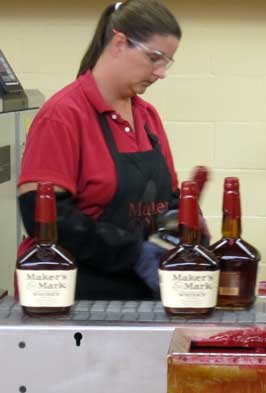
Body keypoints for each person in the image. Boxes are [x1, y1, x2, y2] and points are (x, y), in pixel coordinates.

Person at [16, 0, 183, 300]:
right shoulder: (63, 115)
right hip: (79, 295)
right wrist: (133, 254)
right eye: (154, 58)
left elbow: (169, 197)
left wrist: (183, 226)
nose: (161, 73)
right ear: (120, 43)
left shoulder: (147, 117)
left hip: (142, 290)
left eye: (167, 62)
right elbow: (46, 217)